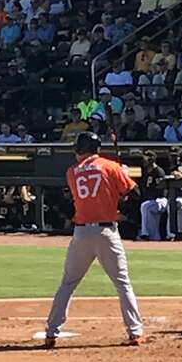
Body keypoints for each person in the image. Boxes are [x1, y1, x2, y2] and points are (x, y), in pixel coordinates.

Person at [44, 132, 144, 348]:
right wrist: (125, 174)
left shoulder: (72, 172)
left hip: (80, 233)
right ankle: (135, 332)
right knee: (122, 283)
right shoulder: (110, 166)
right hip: (106, 233)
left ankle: (51, 331)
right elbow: (136, 194)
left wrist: (118, 177)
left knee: (68, 283)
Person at [138, 150, 168, 241]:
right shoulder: (147, 171)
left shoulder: (159, 171)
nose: (144, 161)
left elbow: (162, 189)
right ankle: (155, 238)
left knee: (145, 206)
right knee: (152, 219)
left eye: (146, 159)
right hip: (152, 200)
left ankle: (145, 233)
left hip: (160, 199)